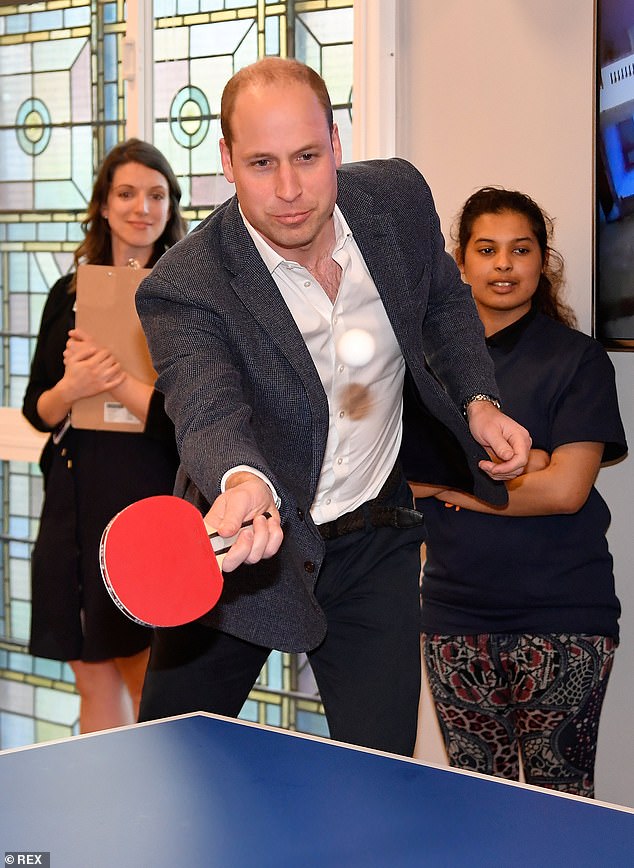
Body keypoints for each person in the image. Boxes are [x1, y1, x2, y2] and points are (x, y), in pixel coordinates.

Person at [135, 58, 531, 756]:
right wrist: (244, 480)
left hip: (375, 537)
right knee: (170, 765)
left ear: (337, 146)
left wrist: (477, 399)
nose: (289, 190)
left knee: (383, 777)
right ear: (226, 160)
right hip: (241, 552)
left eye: (307, 157)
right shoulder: (186, 284)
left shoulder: (397, 202)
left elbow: (442, 298)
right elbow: (205, 403)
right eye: (261, 162)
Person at [413, 187, 627, 796]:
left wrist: (456, 484)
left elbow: (565, 490)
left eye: (520, 249)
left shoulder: (579, 361)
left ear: (542, 262)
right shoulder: (428, 368)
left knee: (561, 806)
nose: (503, 265)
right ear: (460, 262)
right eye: (487, 249)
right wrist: (516, 466)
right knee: (478, 805)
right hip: (454, 618)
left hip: (565, 620)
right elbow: (403, 479)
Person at [23, 139, 187, 733]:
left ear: (172, 208)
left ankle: (163, 814)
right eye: (126, 193)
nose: (141, 207)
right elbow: (37, 409)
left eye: (156, 194)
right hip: (73, 497)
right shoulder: (66, 297)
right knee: (90, 672)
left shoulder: (187, 302)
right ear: (103, 204)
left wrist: (117, 382)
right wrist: (75, 384)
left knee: (148, 675)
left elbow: (188, 423)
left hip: (147, 501)